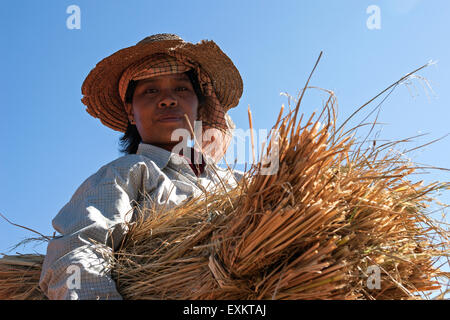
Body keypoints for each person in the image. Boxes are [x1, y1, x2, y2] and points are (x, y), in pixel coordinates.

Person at [39, 33, 244, 300]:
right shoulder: (128, 174)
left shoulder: (237, 184)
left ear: (199, 107)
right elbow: (77, 250)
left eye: (181, 89)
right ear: (129, 112)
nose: (168, 99)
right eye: (150, 90)